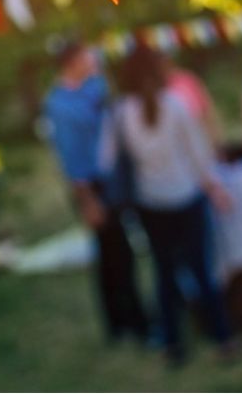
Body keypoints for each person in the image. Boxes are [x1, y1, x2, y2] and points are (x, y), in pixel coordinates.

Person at [103, 43, 235, 363]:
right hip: (187, 197)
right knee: (201, 270)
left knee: (164, 274)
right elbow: (197, 154)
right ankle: (222, 338)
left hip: (150, 204)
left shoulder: (119, 113)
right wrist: (214, 188)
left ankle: (173, 345)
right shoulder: (175, 105)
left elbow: (106, 161)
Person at [44, 40, 149, 343]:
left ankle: (132, 318)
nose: (93, 59)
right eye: (86, 56)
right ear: (72, 62)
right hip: (92, 186)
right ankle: (124, 322)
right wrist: (87, 201)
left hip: (115, 179)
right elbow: (70, 157)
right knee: (111, 255)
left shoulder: (96, 86)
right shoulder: (59, 104)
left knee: (123, 253)